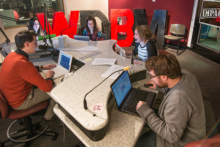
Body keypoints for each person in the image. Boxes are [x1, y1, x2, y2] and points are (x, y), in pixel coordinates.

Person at [136, 54, 206, 147]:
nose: (151, 79)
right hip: (190, 130)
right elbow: (174, 87)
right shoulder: (186, 74)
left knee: (135, 143)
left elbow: (172, 136)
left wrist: (145, 112)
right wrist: (158, 86)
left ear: (164, 77)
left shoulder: (178, 100)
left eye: (152, 76)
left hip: (181, 143)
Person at [0, 30, 56, 121]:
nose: (37, 45)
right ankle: (48, 115)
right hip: (20, 102)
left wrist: (41, 67)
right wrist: (48, 77)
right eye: (35, 42)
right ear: (27, 44)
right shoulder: (23, 64)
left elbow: (21, 71)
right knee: (56, 88)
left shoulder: (11, 56)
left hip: (10, 98)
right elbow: (47, 87)